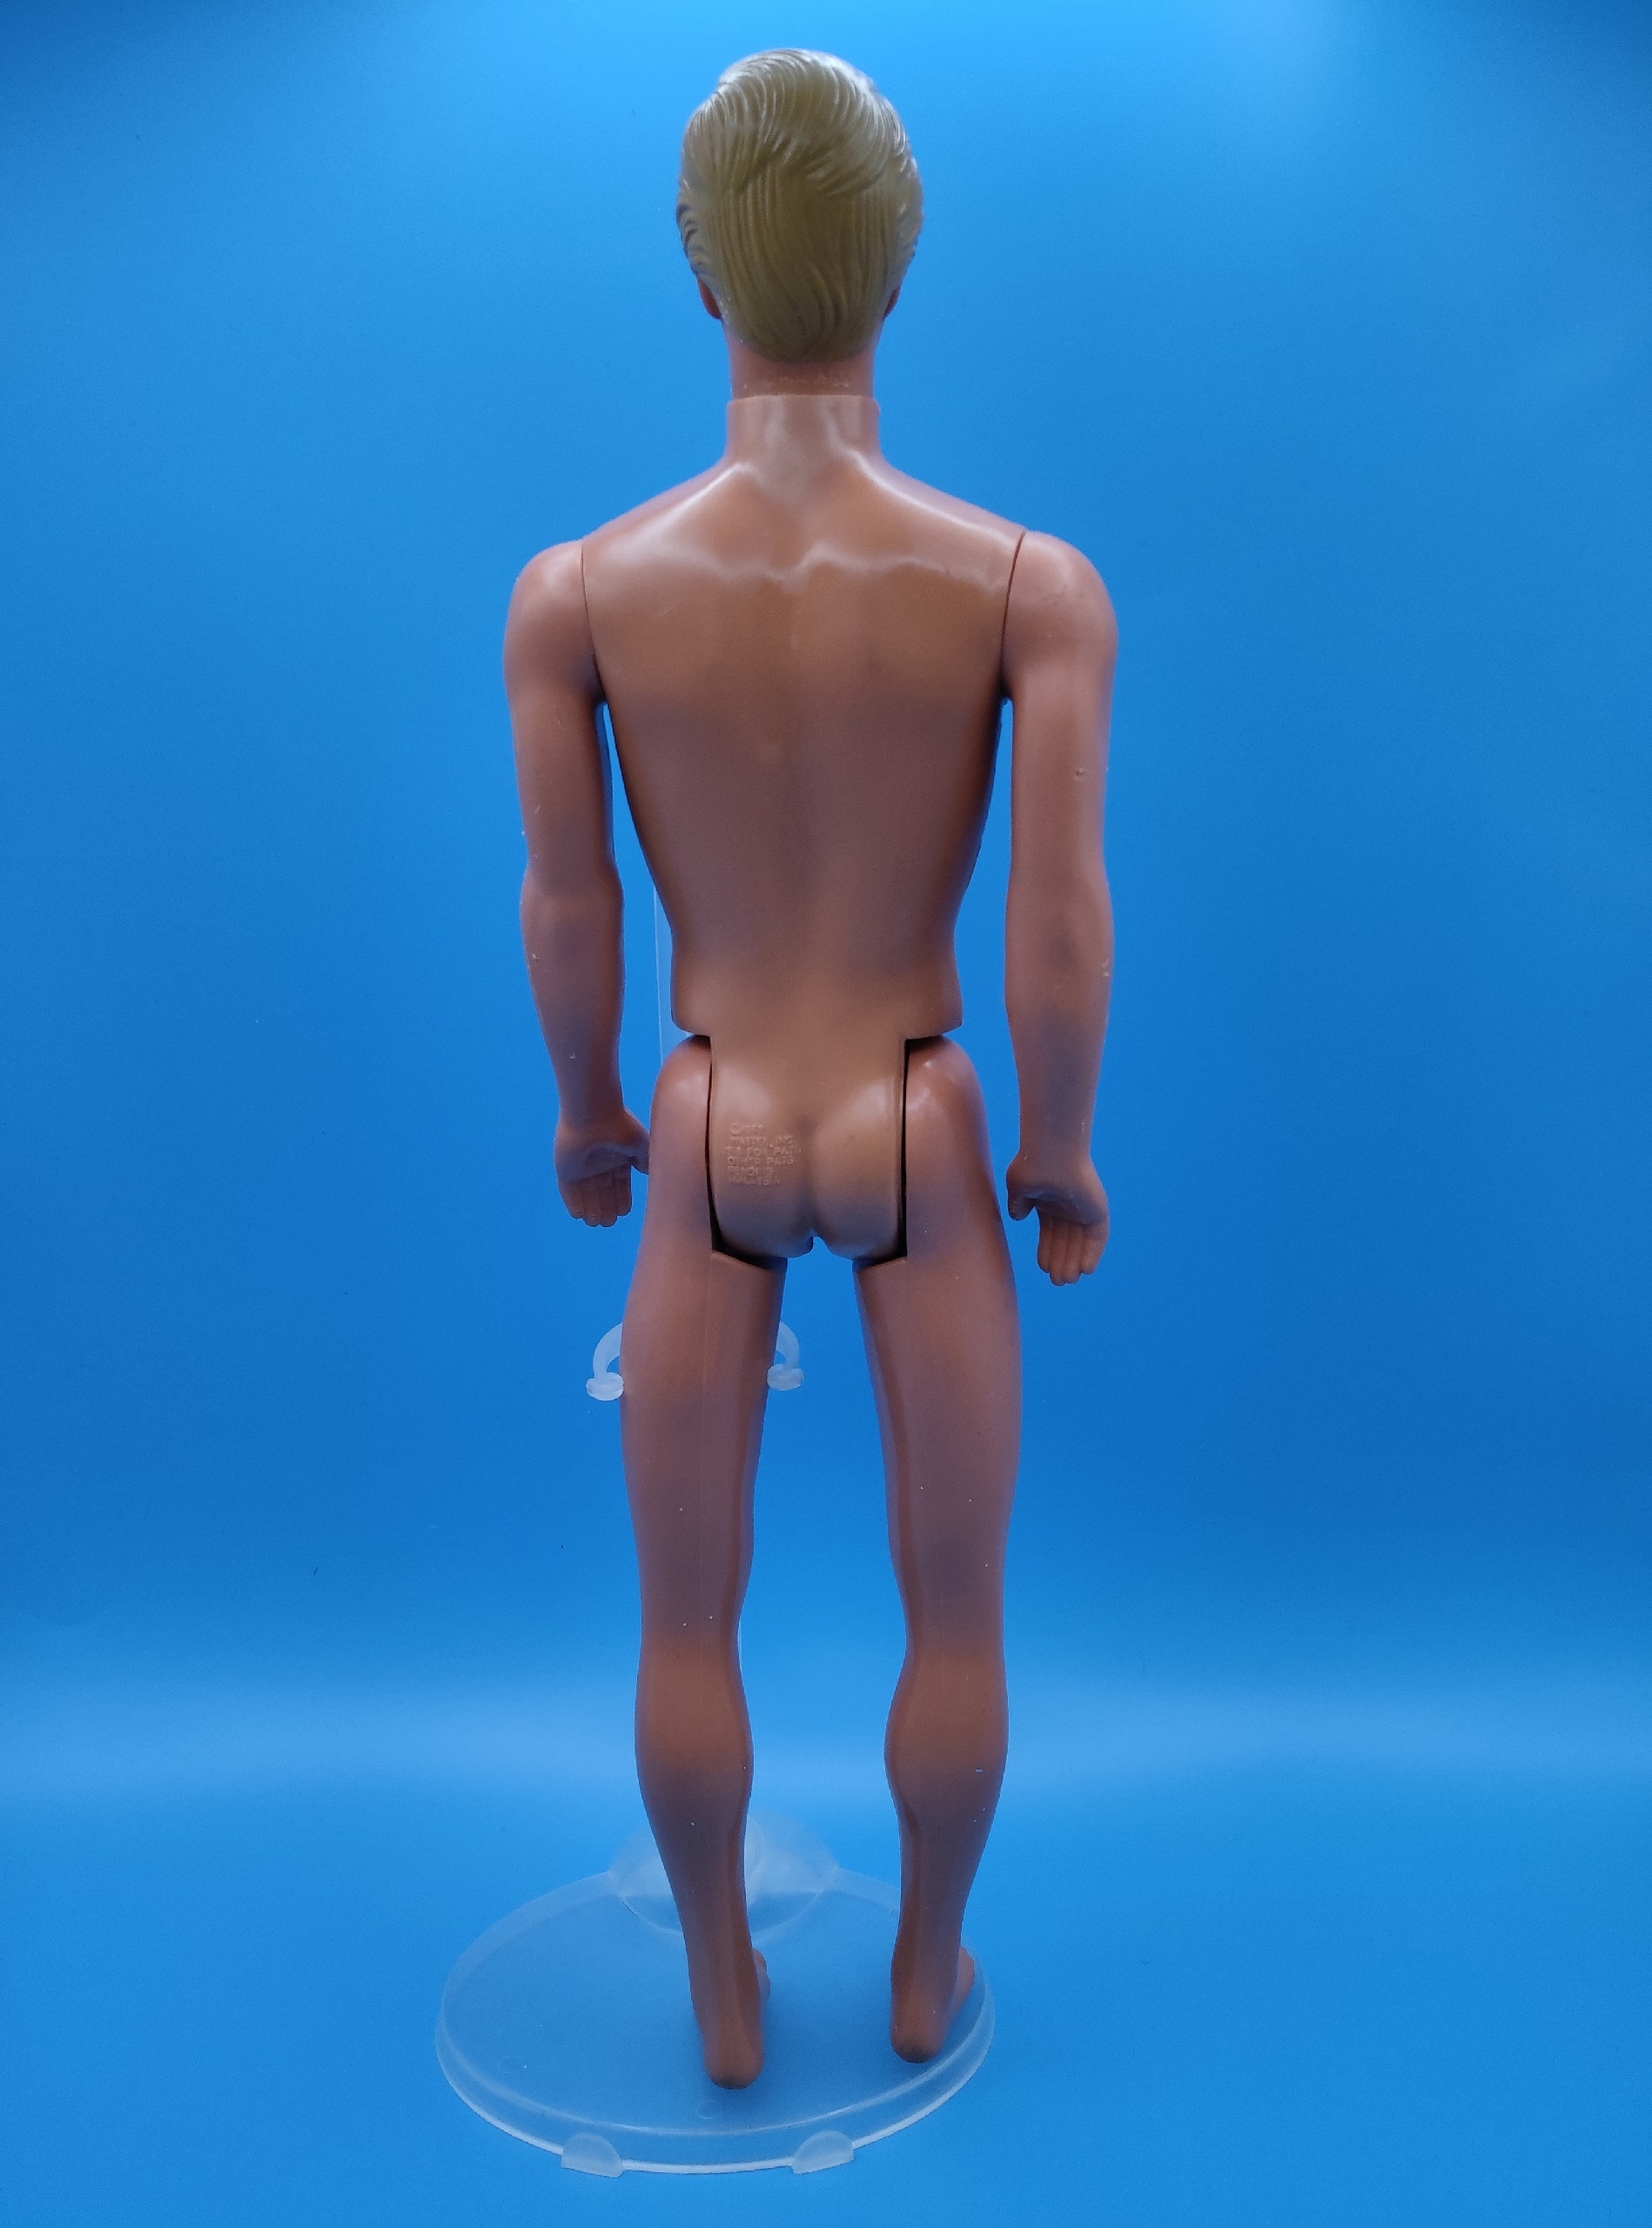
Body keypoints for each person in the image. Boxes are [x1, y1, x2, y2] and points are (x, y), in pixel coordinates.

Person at [505, 49, 1116, 2089]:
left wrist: (587, 1108)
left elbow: (569, 901)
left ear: (701, 273)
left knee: (684, 1615)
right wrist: (1063, 1147)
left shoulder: (582, 593)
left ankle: (721, 1983)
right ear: (898, 271)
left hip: (711, 1113)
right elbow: (1057, 913)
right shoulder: (1024, 583)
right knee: (958, 1603)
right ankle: (925, 1959)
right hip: (914, 1108)